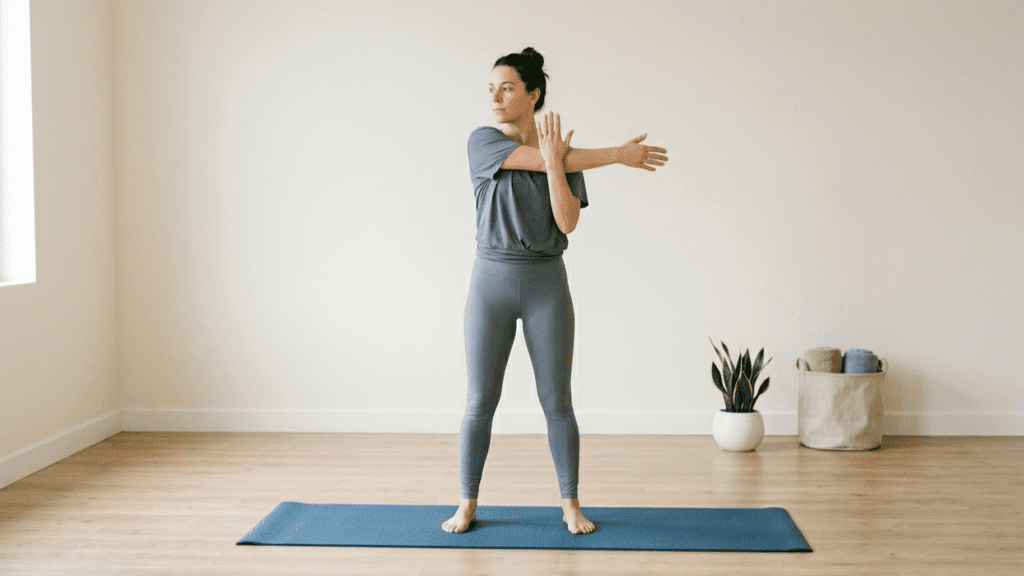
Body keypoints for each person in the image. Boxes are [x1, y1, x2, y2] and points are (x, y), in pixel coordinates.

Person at [442, 47, 668, 535]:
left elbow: (567, 221)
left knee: (557, 401)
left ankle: (570, 505)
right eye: (491, 89)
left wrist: (560, 162)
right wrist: (604, 155)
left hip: (547, 284)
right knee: (480, 400)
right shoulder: (482, 142)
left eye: (507, 88)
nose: (496, 97)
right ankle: (467, 503)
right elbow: (535, 160)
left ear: (533, 94)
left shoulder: (563, 157)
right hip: (491, 284)